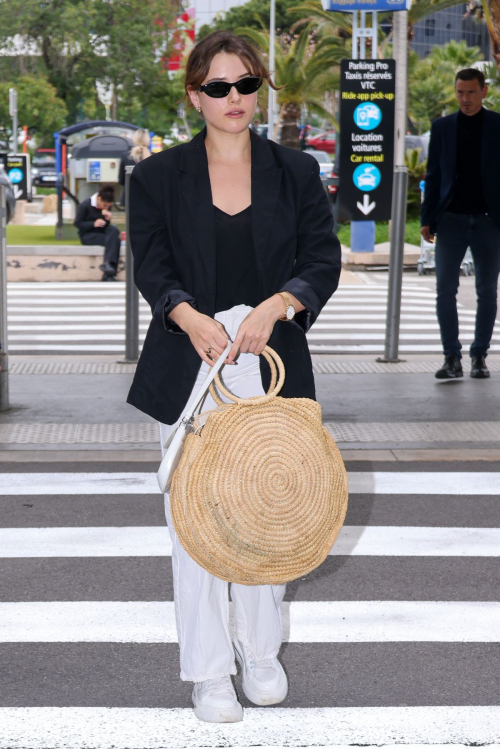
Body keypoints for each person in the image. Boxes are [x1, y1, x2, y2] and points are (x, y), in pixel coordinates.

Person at [127, 30, 341, 724]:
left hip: (269, 362)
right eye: (218, 87)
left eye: (246, 84)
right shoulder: (158, 178)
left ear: (259, 90)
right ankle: (209, 671)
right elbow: (152, 269)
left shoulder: (296, 172)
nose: (234, 99)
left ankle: (260, 649)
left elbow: (321, 260)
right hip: (190, 363)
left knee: (266, 512)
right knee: (195, 524)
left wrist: (279, 304)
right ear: (195, 94)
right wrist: (189, 316)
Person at [421, 68, 500, 380]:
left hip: (489, 222)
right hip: (451, 220)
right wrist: (427, 218)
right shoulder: (442, 127)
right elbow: (433, 174)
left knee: (487, 291)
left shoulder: (497, 126)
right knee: (444, 290)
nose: (465, 99)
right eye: (460, 92)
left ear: (483, 92)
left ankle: (479, 356)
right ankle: (451, 357)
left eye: (470, 92)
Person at [74, 184, 120, 282]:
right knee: (115, 241)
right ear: (99, 199)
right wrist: (93, 224)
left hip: (102, 233)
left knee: (114, 230)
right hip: (88, 235)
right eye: (105, 205)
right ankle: (108, 273)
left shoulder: (106, 207)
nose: (106, 207)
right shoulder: (85, 205)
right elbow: (77, 223)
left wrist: (107, 219)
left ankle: (108, 266)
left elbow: (106, 226)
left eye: (109, 206)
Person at [118, 128, 152, 207]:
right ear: (148, 141)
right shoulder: (155, 157)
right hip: (149, 199)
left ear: (134, 140)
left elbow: (121, 180)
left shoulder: (126, 156)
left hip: (129, 198)